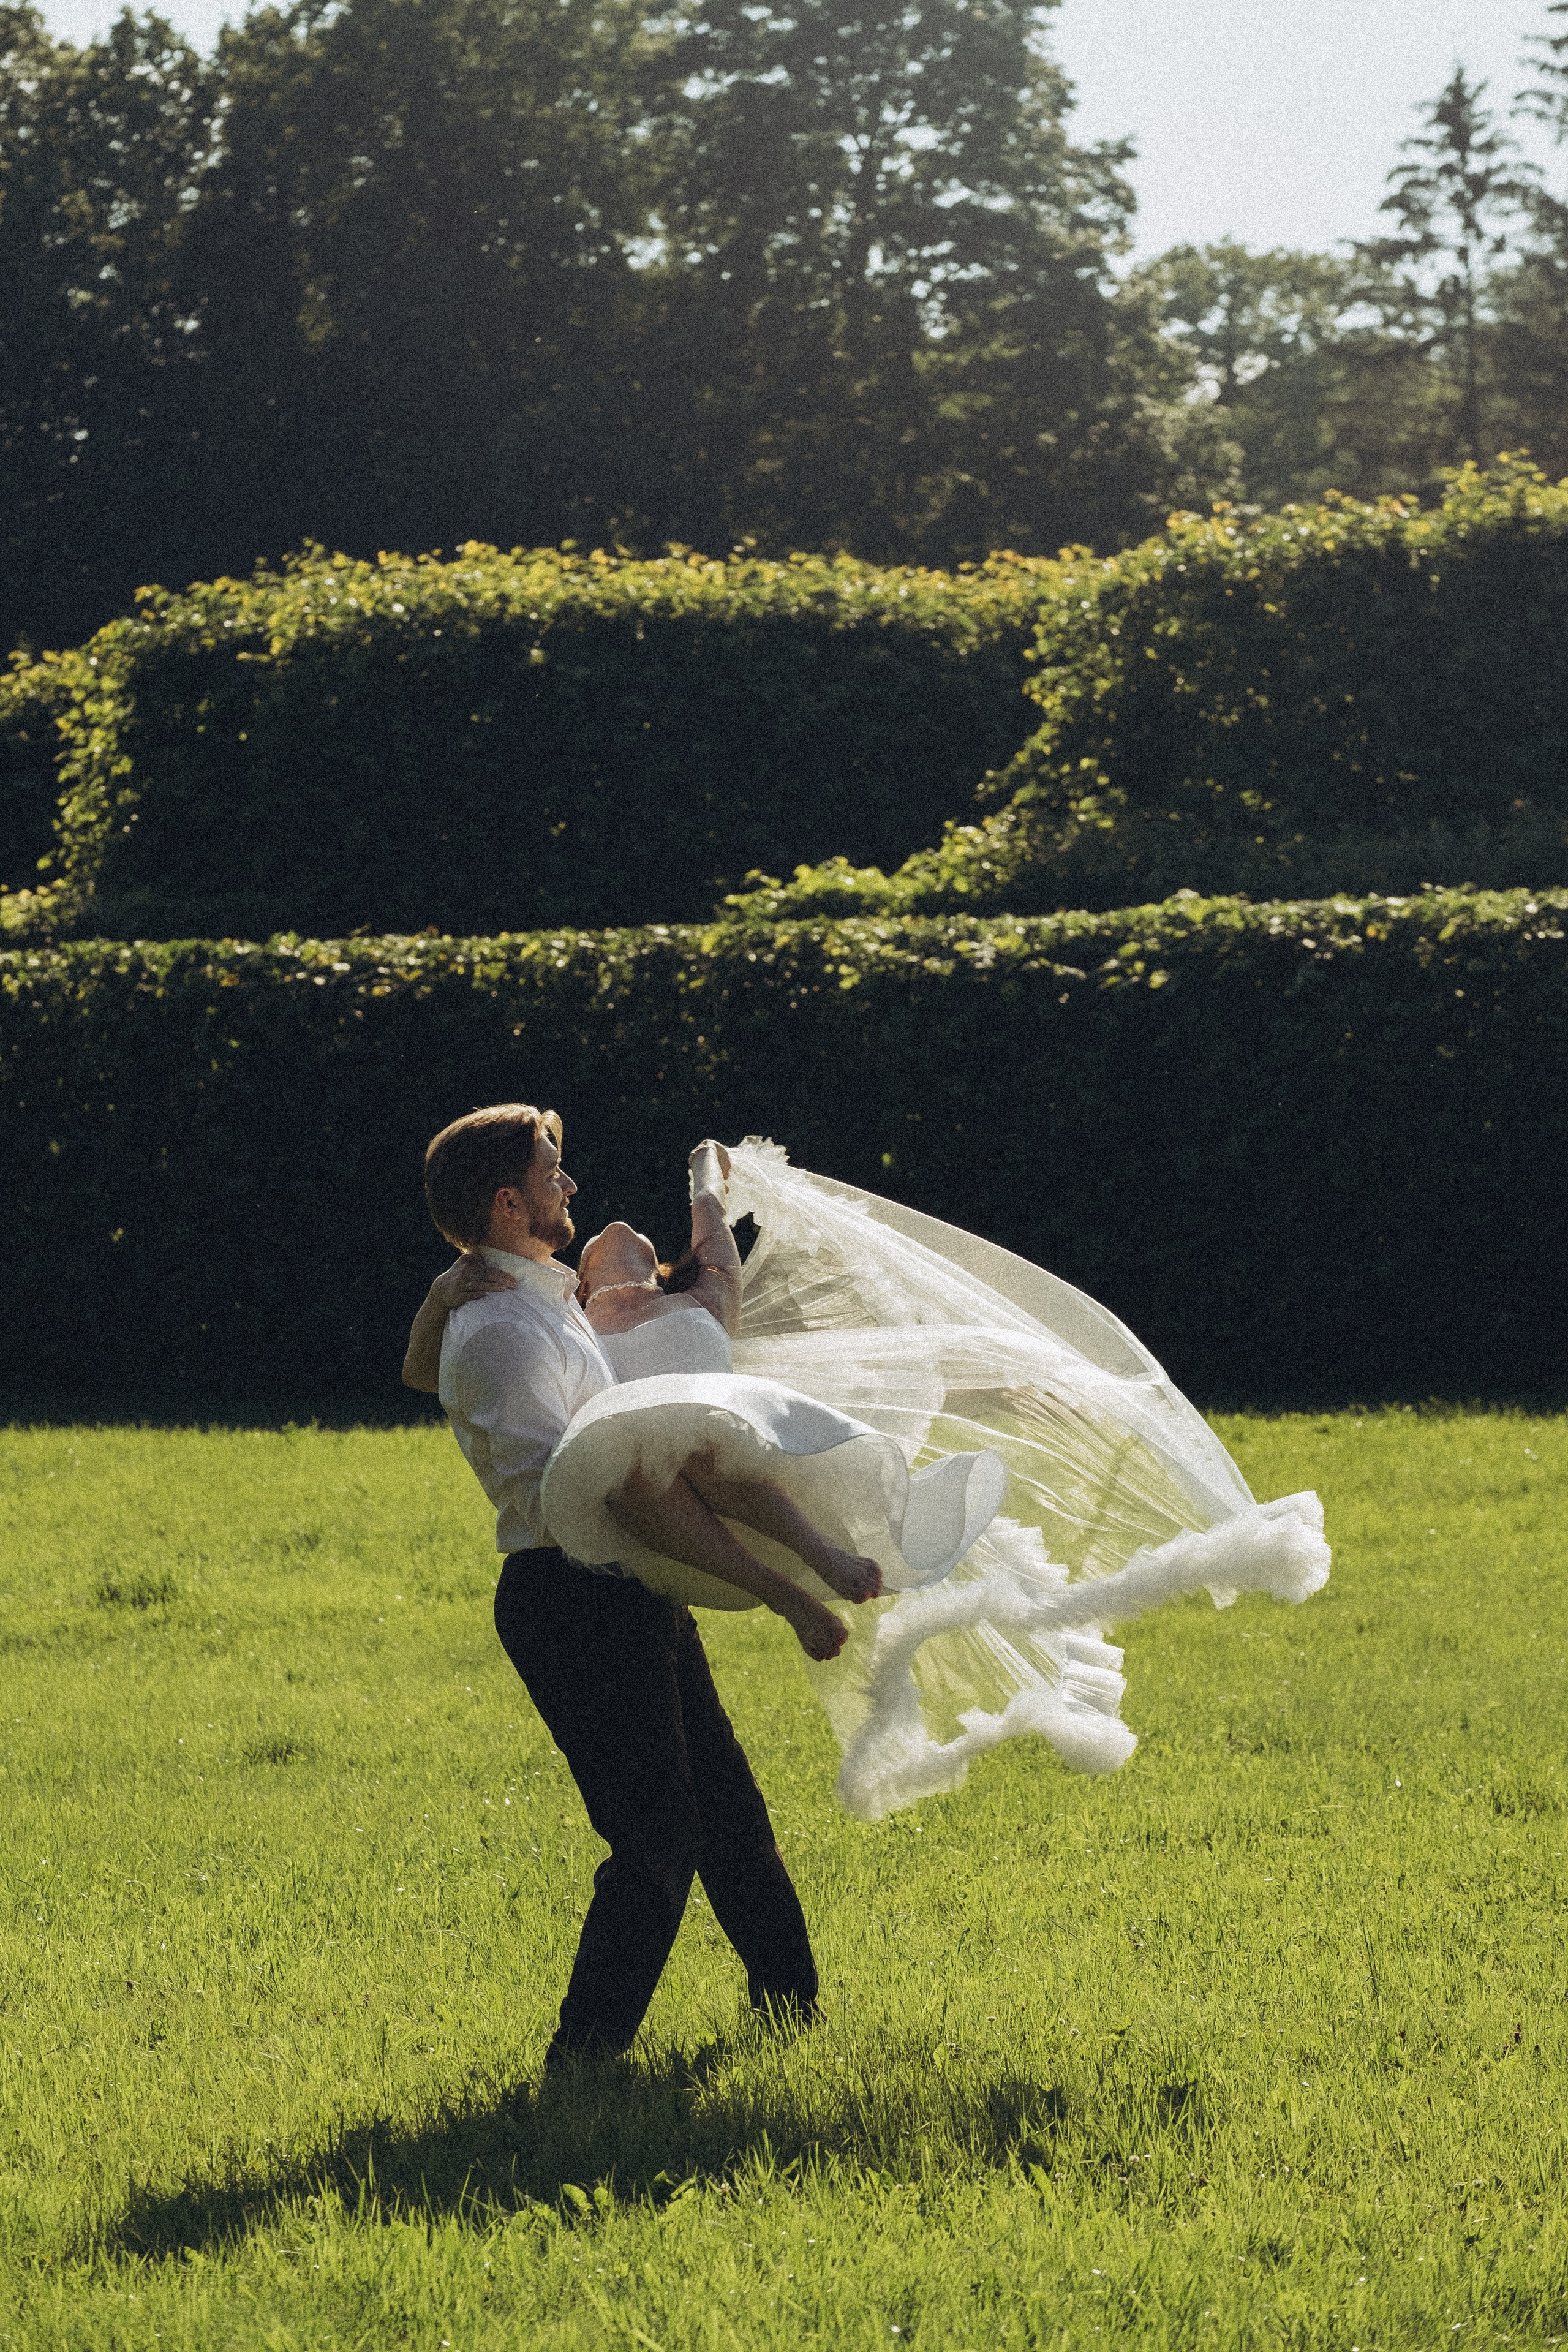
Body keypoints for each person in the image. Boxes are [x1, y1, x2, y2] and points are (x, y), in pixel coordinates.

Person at [404, 1103, 820, 2068]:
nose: (572, 1187)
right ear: (510, 1203)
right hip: (571, 1597)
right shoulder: (503, 1332)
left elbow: (420, 1368)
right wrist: (783, 1588)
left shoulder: (537, 1298)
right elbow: (617, 1495)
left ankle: (795, 2016)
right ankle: (582, 2062)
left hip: (628, 1586)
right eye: (555, 1172)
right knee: (659, 1843)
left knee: (730, 1817)